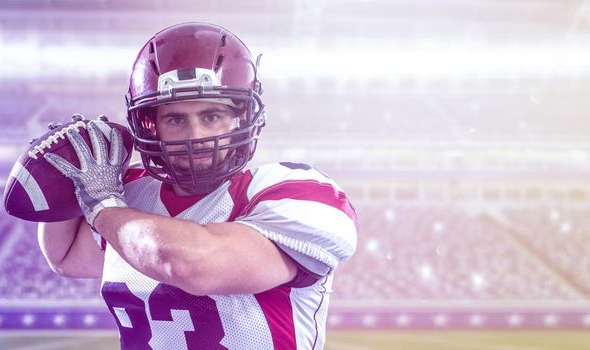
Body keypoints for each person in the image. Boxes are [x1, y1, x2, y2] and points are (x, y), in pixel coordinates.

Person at [39, 22, 358, 350]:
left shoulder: (295, 193)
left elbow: (193, 267)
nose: (196, 137)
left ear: (241, 117)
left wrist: (102, 205)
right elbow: (64, 257)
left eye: (211, 117)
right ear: (150, 127)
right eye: (176, 120)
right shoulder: (129, 195)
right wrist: (67, 170)